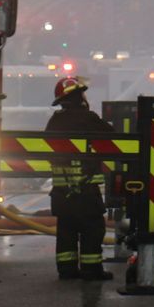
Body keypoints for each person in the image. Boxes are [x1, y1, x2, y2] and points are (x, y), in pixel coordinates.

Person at [46, 76, 116, 281]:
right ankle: (91, 270)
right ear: (79, 97)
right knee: (92, 228)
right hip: (85, 191)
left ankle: (66, 270)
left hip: (60, 193)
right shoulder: (89, 118)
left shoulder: (54, 121)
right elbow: (113, 137)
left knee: (66, 230)